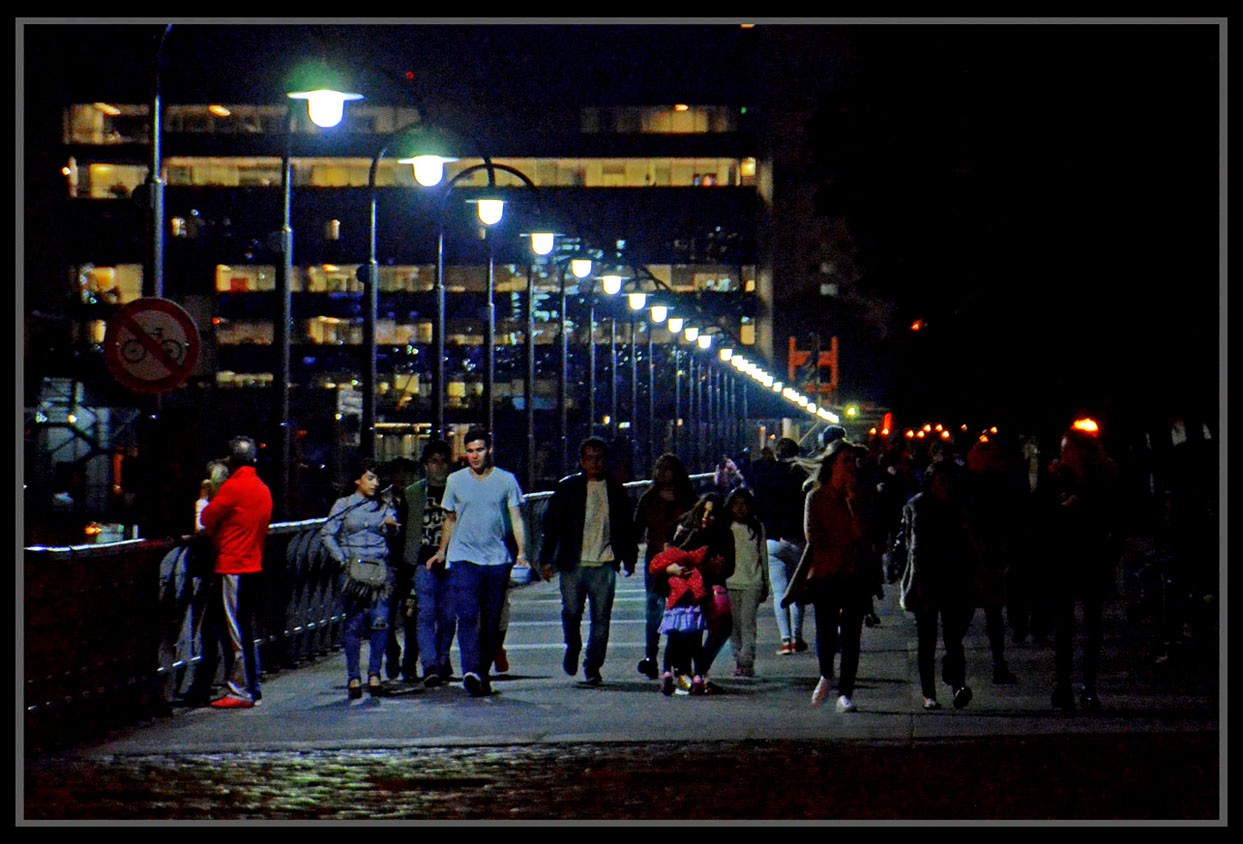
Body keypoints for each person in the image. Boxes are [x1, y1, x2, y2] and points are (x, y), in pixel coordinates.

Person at [427, 427, 530, 698]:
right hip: (463, 558)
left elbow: (516, 518)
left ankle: (482, 673)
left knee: (491, 621)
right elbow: (449, 519)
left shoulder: (506, 481)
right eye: (470, 450)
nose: (474, 456)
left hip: (496, 559)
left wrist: (522, 552)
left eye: (479, 450)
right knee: (468, 615)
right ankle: (471, 669)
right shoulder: (456, 481)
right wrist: (441, 551)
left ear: (490, 450)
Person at [540, 436, 639, 685]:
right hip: (573, 563)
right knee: (571, 612)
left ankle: (593, 665)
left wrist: (629, 557)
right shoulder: (568, 488)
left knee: (601, 619)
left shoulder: (616, 491)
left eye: (599, 458)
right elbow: (552, 525)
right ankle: (573, 646)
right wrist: (546, 558)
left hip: (604, 564)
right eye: (589, 458)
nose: (594, 463)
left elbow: (626, 527)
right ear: (581, 461)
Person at [783, 438, 870, 713]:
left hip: (854, 572)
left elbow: (862, 534)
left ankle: (845, 693)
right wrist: (837, 544)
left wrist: (853, 504)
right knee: (827, 629)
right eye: (846, 461)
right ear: (832, 463)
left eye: (853, 461)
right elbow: (813, 535)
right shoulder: (816, 496)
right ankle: (826, 673)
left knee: (853, 635)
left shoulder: (858, 496)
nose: (851, 467)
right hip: (826, 573)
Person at [1045, 420, 1122, 712]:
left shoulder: (1102, 478)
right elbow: (1045, 514)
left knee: (1092, 625)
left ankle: (1088, 686)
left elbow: (1109, 515)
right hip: (1064, 557)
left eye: (1068, 450)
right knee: (1064, 624)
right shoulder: (1058, 478)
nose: (1064, 455)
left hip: (1092, 555)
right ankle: (1063, 684)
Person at [195, 436, 273, 709]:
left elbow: (205, 520)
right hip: (253, 564)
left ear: (231, 460)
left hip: (233, 566)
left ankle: (241, 690)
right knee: (245, 630)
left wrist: (203, 500)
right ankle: (252, 686)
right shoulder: (262, 488)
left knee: (234, 632)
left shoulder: (233, 488)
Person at [898, 458, 978, 711]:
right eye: (940, 481)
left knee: (954, 637)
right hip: (928, 578)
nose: (945, 486)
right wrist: (918, 584)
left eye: (949, 481)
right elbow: (916, 548)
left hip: (956, 578)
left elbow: (970, 541)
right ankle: (929, 693)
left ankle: (957, 684)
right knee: (927, 639)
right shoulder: (918, 506)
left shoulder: (960, 506)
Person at [319, 457, 400, 700]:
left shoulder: (386, 506)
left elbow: (393, 533)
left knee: (380, 621)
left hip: (379, 571)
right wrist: (342, 560)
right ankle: (353, 676)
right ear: (358, 480)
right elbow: (327, 532)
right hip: (352, 574)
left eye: (377, 479)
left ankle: (374, 673)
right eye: (370, 478)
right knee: (353, 624)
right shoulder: (343, 505)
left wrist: (391, 527)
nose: (375, 484)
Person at [632, 453, 697, 681]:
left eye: (668, 468)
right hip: (656, 561)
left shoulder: (688, 498)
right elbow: (637, 528)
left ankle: (676, 658)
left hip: (681, 561)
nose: (663, 472)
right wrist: (630, 557)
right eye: (659, 468)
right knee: (654, 609)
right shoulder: (649, 498)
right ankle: (651, 656)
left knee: (679, 608)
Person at [668, 492, 735, 695]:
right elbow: (674, 556)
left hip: (714, 589)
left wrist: (718, 568)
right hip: (688, 588)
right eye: (704, 512)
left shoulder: (724, 534)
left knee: (723, 627)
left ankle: (700, 670)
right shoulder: (689, 531)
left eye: (712, 514)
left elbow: (730, 566)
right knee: (689, 632)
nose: (707, 518)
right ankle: (684, 675)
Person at [404, 439, 457, 688]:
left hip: (452, 560)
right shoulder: (414, 493)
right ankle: (430, 664)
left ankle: (441, 658)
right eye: (434, 461)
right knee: (426, 614)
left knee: (448, 615)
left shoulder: (457, 489)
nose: (439, 467)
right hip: (422, 560)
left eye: (443, 461)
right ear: (425, 464)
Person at [760, 437, 811, 656]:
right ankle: (798, 637)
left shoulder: (768, 476)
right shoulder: (803, 476)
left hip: (773, 539)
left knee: (780, 591)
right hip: (798, 539)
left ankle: (786, 640)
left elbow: (759, 506)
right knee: (797, 591)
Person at [382, 456, 420, 684]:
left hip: (411, 564)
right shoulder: (382, 499)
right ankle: (392, 653)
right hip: (389, 564)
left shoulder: (415, 497)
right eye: (398, 474)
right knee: (384, 615)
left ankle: (410, 663)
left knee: (412, 617)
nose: (401, 479)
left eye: (406, 474)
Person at [724, 487, 769, 677]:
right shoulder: (726, 527)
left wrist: (765, 582)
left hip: (752, 582)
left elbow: (763, 556)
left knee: (748, 623)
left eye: (745, 504)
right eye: (737, 504)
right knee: (733, 625)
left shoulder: (756, 527)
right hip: (730, 583)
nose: (741, 508)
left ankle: (747, 660)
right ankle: (738, 659)